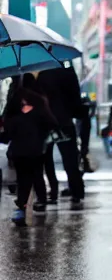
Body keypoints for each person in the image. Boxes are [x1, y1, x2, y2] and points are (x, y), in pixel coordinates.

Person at [3, 87, 57, 226]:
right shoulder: (39, 110)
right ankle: (37, 201)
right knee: (33, 176)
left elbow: (7, 134)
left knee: (24, 179)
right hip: (33, 151)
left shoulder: (14, 114)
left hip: (22, 151)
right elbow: (52, 124)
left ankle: (22, 207)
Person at [37, 66, 85, 205]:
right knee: (70, 159)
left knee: (46, 159)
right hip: (65, 121)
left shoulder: (41, 74)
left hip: (46, 122)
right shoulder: (68, 73)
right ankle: (76, 191)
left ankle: (53, 191)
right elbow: (75, 97)